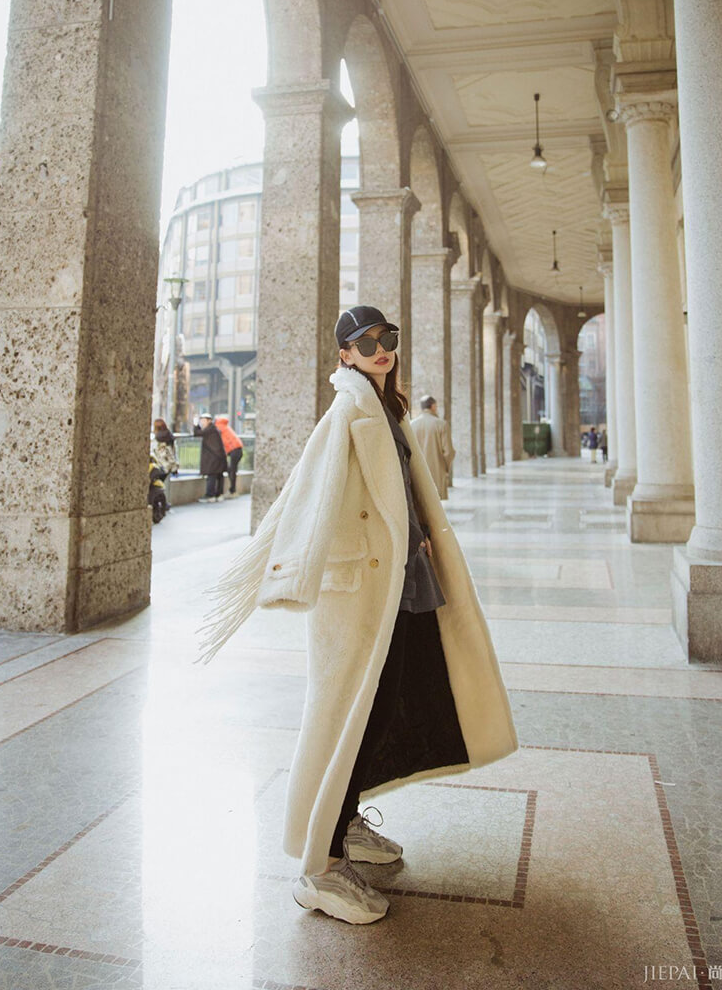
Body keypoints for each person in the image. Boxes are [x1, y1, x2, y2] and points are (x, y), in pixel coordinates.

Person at [197, 305, 517, 926]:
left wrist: (418, 538)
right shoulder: (349, 410)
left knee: (386, 707)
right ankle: (318, 868)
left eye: (387, 337)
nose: (379, 348)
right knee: (349, 716)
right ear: (344, 353)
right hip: (363, 588)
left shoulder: (386, 409)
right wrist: (293, 574)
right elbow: (309, 494)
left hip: (401, 579)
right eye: (365, 342)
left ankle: (344, 825)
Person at [410, 394, 455, 500]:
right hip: (436, 471)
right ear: (433, 406)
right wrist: (445, 467)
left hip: (417, 471)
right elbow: (449, 452)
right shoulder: (441, 424)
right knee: (436, 501)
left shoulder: (412, 425)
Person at [194, 413, 227, 502]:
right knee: (218, 475)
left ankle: (210, 495)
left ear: (209, 421)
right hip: (219, 456)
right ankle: (219, 494)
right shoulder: (213, 429)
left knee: (212, 475)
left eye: (203, 420)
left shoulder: (210, 429)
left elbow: (197, 433)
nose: (202, 422)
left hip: (214, 457)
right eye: (201, 420)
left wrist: (196, 425)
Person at [215, 415, 244, 498]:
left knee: (231, 470)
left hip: (234, 450)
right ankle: (232, 490)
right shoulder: (225, 426)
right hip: (238, 449)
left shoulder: (218, 427)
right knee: (231, 470)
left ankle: (232, 491)